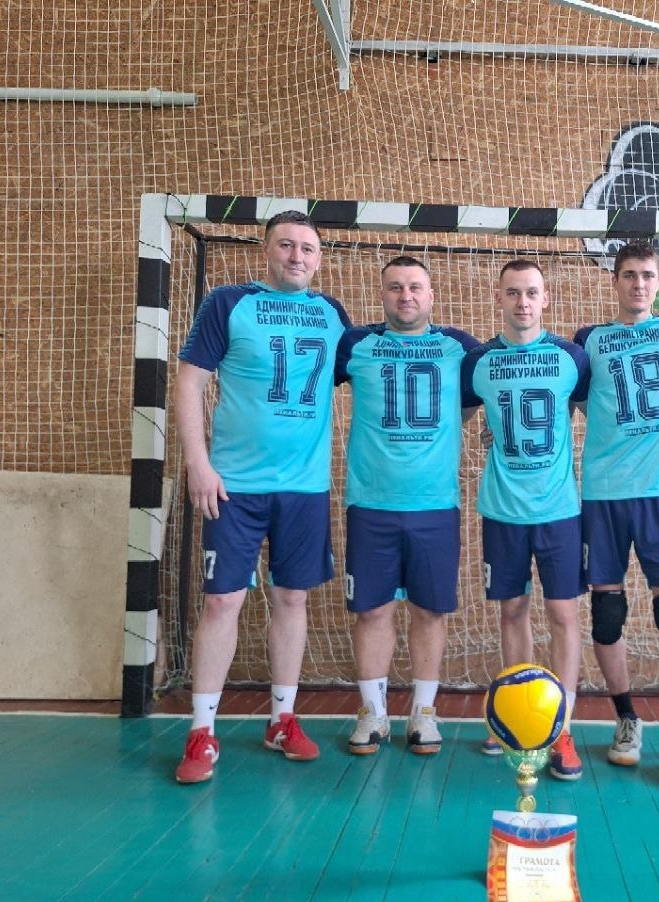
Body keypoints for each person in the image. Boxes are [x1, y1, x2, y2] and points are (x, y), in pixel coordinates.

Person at [173, 210, 352, 785]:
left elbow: (370, 376)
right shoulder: (229, 303)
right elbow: (189, 382)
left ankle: (282, 719)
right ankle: (202, 731)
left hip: (304, 488)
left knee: (293, 599)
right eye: (286, 245)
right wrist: (198, 464)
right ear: (266, 250)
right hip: (234, 485)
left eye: (307, 248)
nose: (297, 256)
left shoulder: (332, 314)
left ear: (319, 259)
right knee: (222, 602)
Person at [572, 240, 659, 792]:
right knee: (606, 615)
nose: (638, 284)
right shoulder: (589, 341)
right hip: (603, 495)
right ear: (615, 281)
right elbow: (559, 391)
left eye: (647, 275)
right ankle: (626, 719)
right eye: (629, 274)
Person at [335, 255, 481, 757]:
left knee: (429, 610)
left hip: (435, 504)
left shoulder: (458, 347)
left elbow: (490, 393)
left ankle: (423, 711)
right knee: (372, 610)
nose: (406, 296)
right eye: (395, 287)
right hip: (370, 503)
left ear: (431, 295)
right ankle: (373, 712)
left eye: (415, 287)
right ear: (382, 294)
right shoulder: (356, 345)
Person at [461, 260, 591, 780]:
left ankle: (561, 727)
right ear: (499, 298)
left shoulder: (571, 358)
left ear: (545, 299)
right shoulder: (479, 362)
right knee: (512, 611)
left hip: (559, 510)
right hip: (502, 510)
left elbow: (593, 413)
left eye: (531, 292)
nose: (522, 302)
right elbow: (458, 421)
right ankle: (517, 717)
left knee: (563, 615)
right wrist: (488, 430)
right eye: (513, 292)